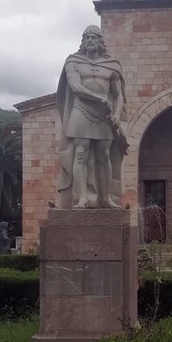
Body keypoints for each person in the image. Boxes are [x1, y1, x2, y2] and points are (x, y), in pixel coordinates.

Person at [57, 25, 128, 208]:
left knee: (104, 155)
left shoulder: (112, 65)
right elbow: (76, 87)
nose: (90, 40)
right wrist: (100, 99)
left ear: (100, 41)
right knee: (80, 154)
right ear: (83, 41)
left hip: (105, 115)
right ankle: (81, 199)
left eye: (93, 37)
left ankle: (106, 198)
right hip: (81, 110)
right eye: (87, 37)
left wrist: (117, 115)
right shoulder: (73, 61)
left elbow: (119, 95)